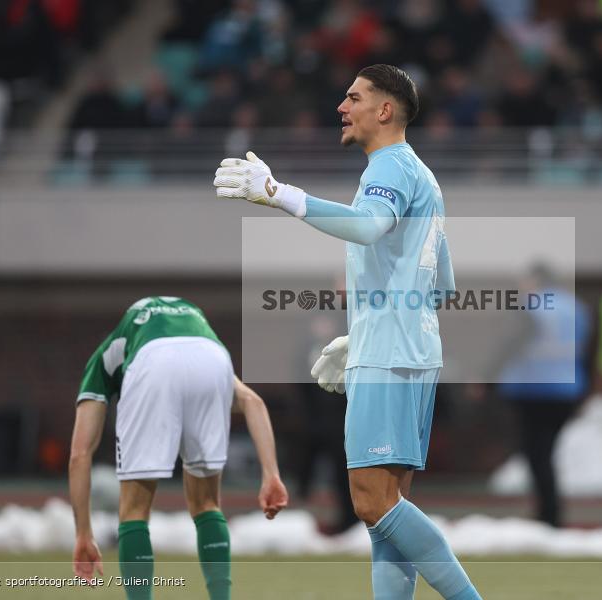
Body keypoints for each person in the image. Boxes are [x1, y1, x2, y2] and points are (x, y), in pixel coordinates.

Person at [213, 64, 480, 600]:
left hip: (389, 356)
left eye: (353, 97)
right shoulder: (423, 176)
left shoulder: (389, 167)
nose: (342, 106)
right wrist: (367, 331)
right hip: (414, 351)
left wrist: (281, 194)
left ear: (384, 110)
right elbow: (443, 283)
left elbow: (366, 226)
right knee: (386, 510)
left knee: (370, 502)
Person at [69, 296, 288, 600]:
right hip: (213, 357)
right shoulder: (193, 329)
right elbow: (253, 401)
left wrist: (83, 533)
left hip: (151, 361)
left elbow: (80, 453)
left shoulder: (105, 356)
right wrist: (271, 474)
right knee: (207, 504)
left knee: (133, 509)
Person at [496, 264, 593, 527]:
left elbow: (512, 342)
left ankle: (548, 513)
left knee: (536, 454)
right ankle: (549, 511)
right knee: (546, 452)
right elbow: (586, 349)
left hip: (533, 388)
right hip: (566, 389)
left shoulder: (531, 306)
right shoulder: (576, 308)